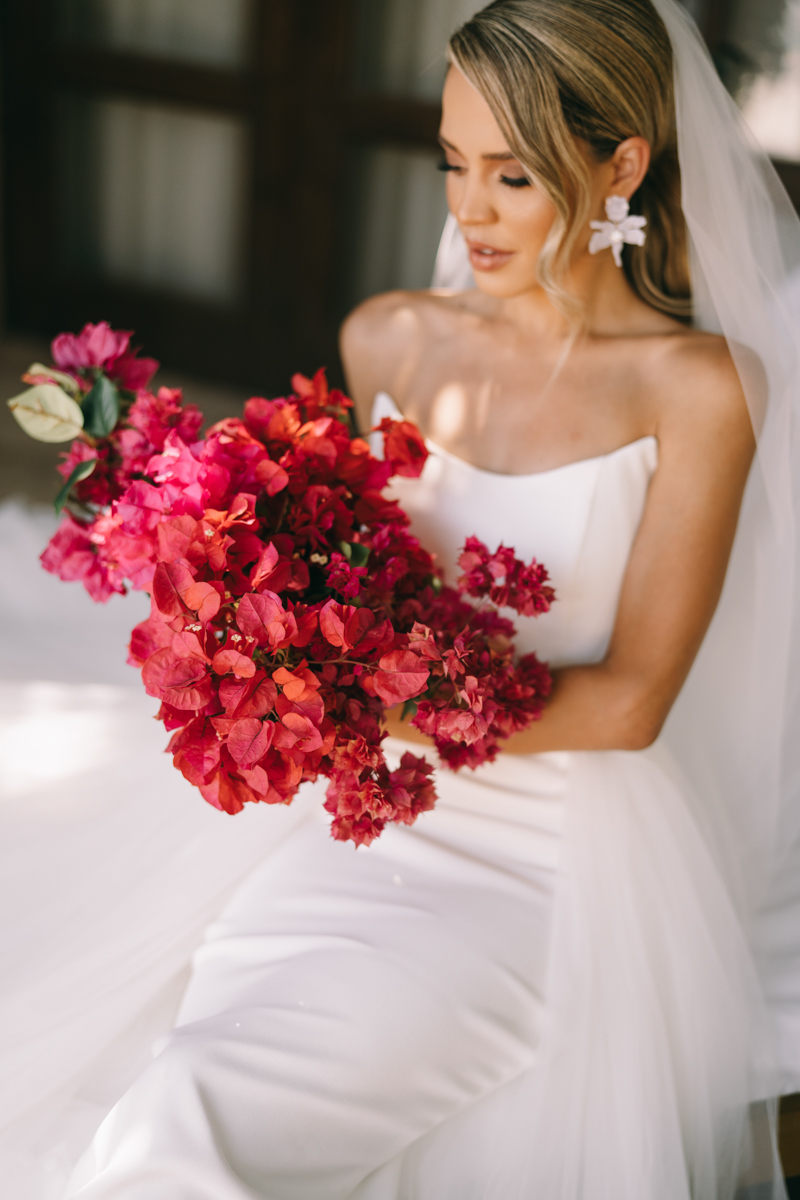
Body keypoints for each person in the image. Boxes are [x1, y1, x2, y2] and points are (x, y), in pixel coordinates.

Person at [2, 0, 800, 1196]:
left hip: (547, 862)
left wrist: (344, 710)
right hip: (366, 820)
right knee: (184, 1070)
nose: (465, 209)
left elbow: (632, 701)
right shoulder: (390, 341)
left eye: (513, 175)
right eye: (450, 162)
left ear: (621, 164)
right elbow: (340, 565)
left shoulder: (696, 389)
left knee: (197, 1111)